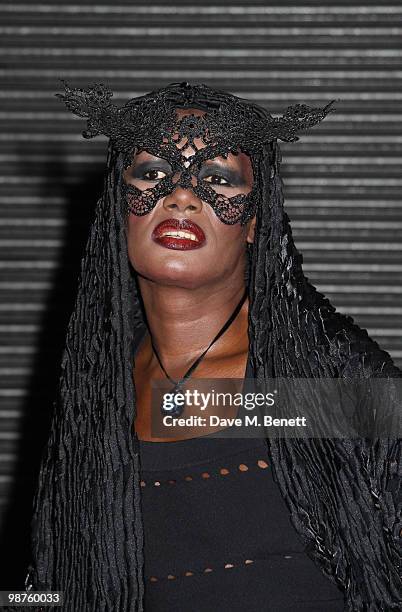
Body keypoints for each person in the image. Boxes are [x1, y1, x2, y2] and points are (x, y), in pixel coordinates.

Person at [22, 81, 400, 611]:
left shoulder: (328, 373)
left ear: (253, 222)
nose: (181, 195)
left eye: (217, 179)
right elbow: (50, 586)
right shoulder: (96, 389)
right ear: (118, 207)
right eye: (153, 173)